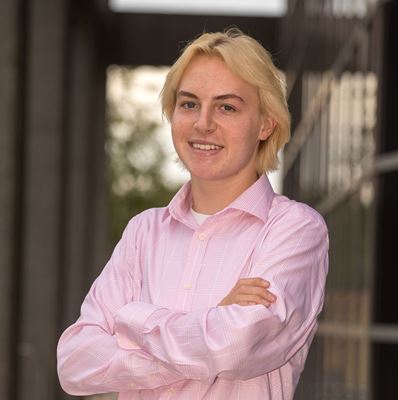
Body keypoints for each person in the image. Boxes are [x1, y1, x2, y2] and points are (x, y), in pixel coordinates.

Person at [57, 28, 328, 399]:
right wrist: (211, 319)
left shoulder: (295, 230)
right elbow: (74, 363)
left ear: (266, 123)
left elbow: (239, 347)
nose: (203, 123)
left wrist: (134, 319)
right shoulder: (143, 232)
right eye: (188, 104)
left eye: (227, 107)